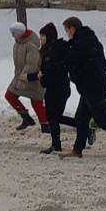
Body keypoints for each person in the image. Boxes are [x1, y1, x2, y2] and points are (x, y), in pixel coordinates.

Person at [61, 16, 106, 159]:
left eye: (67, 30)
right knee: (81, 118)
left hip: (93, 87)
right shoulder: (86, 40)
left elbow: (75, 63)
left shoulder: (83, 43)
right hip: (90, 87)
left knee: (103, 120)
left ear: (72, 28)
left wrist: (74, 74)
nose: (67, 33)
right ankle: (77, 150)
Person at [37, 23, 72, 154]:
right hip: (58, 88)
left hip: (57, 89)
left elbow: (53, 72)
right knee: (55, 117)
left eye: (43, 36)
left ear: (48, 36)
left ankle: (56, 145)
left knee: (53, 117)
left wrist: (42, 78)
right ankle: (56, 144)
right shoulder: (49, 50)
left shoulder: (54, 50)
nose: (41, 39)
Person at [5, 26, 46, 133]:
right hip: (19, 77)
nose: (12, 35)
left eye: (14, 33)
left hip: (32, 79)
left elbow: (31, 65)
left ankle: (46, 125)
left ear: (20, 33)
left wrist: (23, 80)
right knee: (9, 95)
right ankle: (27, 118)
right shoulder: (17, 44)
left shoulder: (31, 45)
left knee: (36, 102)